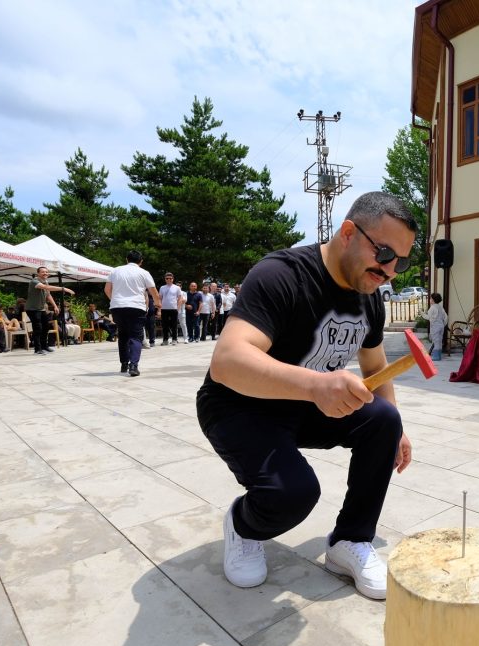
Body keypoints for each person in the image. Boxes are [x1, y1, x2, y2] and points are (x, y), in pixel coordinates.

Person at [196, 191, 416, 600]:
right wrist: (316, 385)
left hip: (303, 405)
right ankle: (243, 525)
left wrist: (396, 429)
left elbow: (375, 368)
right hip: (238, 404)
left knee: (384, 420)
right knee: (294, 495)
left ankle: (350, 540)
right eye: (384, 254)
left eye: (401, 262)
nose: (390, 272)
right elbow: (227, 361)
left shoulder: (369, 297)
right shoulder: (282, 274)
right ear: (349, 232)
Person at [105, 250, 161, 377]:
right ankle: (133, 366)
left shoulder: (115, 271)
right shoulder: (144, 273)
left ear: (126, 259)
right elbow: (153, 291)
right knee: (136, 336)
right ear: (141, 262)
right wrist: (158, 304)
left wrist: (115, 301)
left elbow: (107, 289)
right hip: (136, 307)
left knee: (123, 335)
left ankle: (124, 364)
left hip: (117, 307)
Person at [25, 267, 74, 355]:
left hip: (41, 309)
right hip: (32, 309)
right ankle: (37, 349)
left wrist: (55, 306)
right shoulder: (34, 281)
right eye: (43, 272)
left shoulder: (46, 281)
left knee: (46, 327)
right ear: (38, 273)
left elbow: (48, 295)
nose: (45, 273)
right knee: (38, 328)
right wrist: (63, 289)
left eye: (46, 272)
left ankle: (44, 346)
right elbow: (44, 287)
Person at [159, 272, 182, 345]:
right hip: (164, 309)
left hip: (173, 308)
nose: (169, 280)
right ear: (165, 279)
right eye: (167, 278)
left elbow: (180, 298)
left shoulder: (177, 287)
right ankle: (165, 340)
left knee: (174, 325)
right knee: (165, 325)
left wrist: (177, 308)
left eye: (170, 278)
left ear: (173, 279)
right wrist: (159, 310)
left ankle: (174, 339)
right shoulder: (162, 287)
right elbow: (160, 298)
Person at [425, 292, 447, 361]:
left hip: (435, 327)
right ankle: (439, 356)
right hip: (441, 326)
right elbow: (445, 317)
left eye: (431, 298)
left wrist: (422, 314)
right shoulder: (440, 307)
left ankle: (436, 357)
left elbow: (428, 317)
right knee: (439, 341)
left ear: (433, 300)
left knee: (436, 341)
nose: (430, 299)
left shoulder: (433, 307)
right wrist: (443, 324)